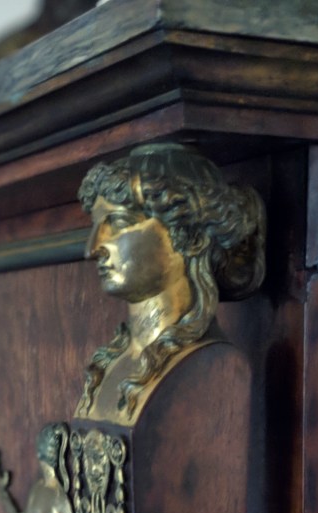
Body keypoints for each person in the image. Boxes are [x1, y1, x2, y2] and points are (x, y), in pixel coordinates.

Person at [76, 142, 265, 424]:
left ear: (190, 237)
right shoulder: (108, 365)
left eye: (119, 223)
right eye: (96, 226)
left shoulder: (206, 366)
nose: (92, 249)